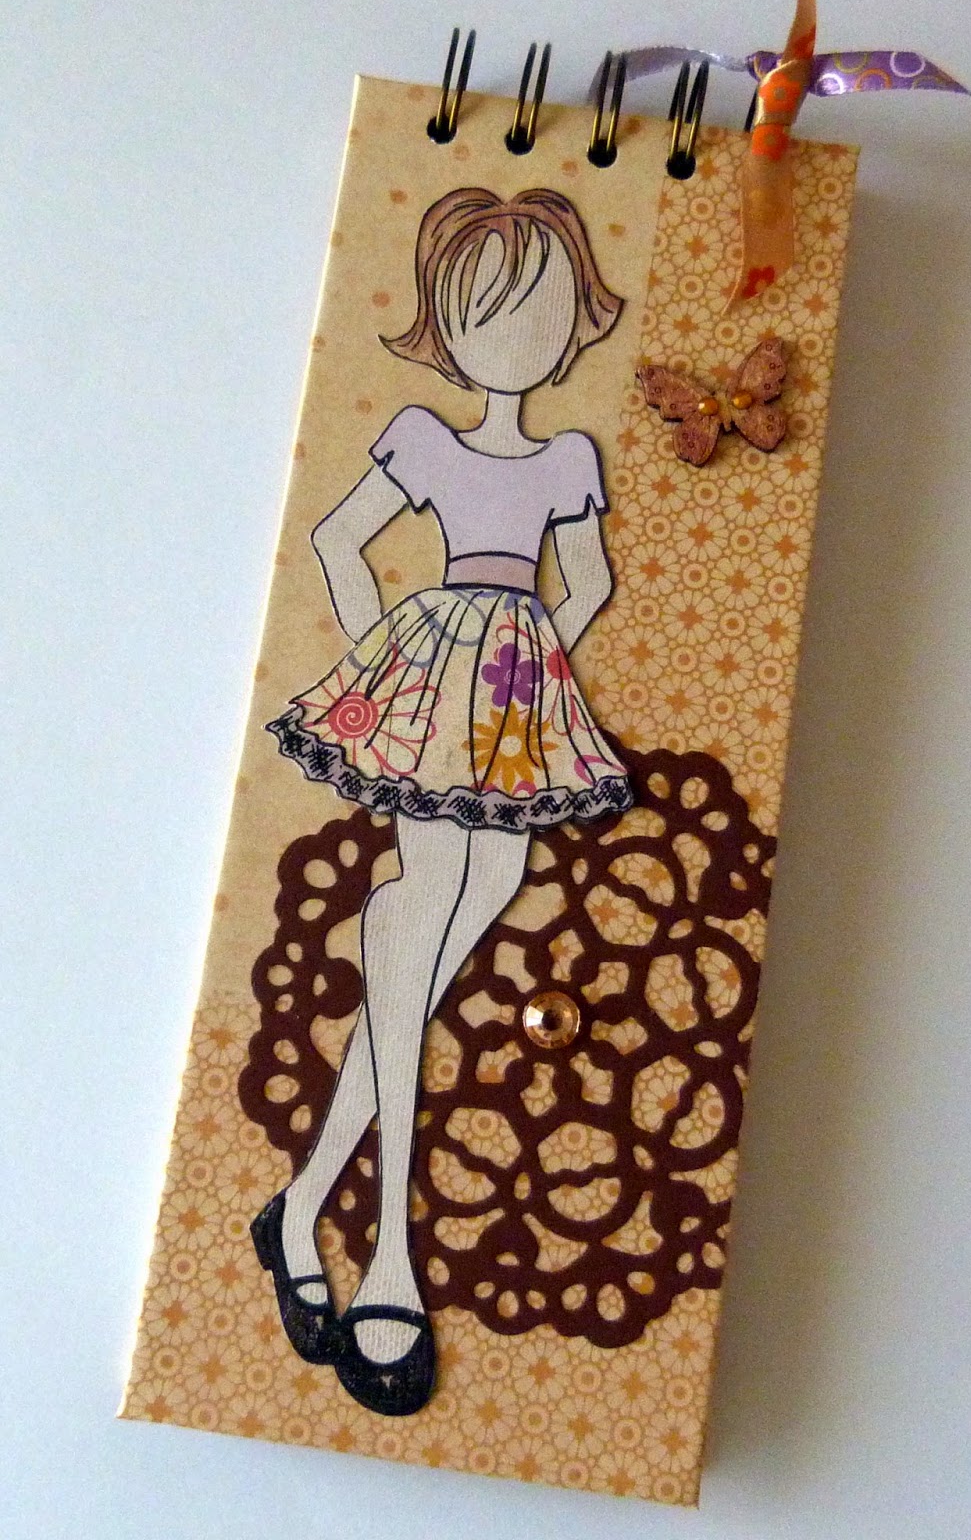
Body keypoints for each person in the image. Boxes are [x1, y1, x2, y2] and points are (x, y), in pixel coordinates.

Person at [251, 186, 632, 1416]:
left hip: (509, 695)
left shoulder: (570, 458)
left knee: (463, 901)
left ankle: (300, 1204)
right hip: (435, 681)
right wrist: (396, 664)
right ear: (445, 325)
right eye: (484, 311)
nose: (515, 335)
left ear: (577, 325)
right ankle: (390, 1258)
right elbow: (338, 540)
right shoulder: (424, 436)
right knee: (428, 908)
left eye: (544, 310)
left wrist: (530, 675)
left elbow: (589, 579)